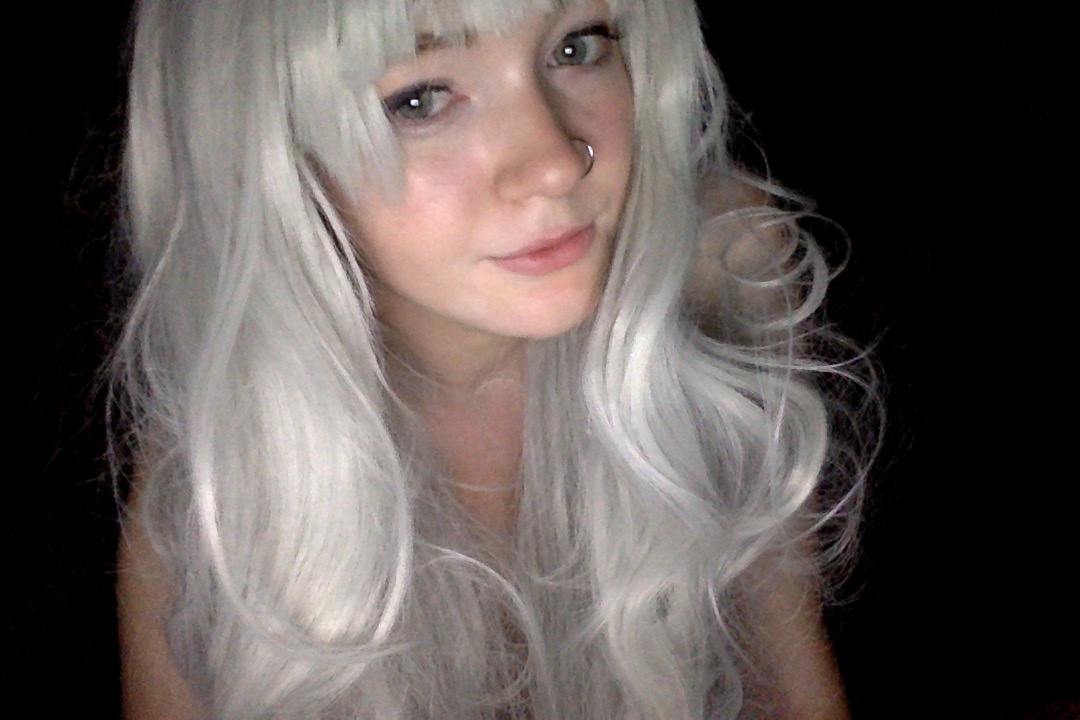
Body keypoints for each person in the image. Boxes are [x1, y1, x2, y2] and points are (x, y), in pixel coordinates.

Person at [114, 0, 871, 717]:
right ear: (267, 149)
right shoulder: (226, 462)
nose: (555, 163)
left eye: (577, 46)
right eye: (420, 100)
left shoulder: (722, 270)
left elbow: (790, 688)